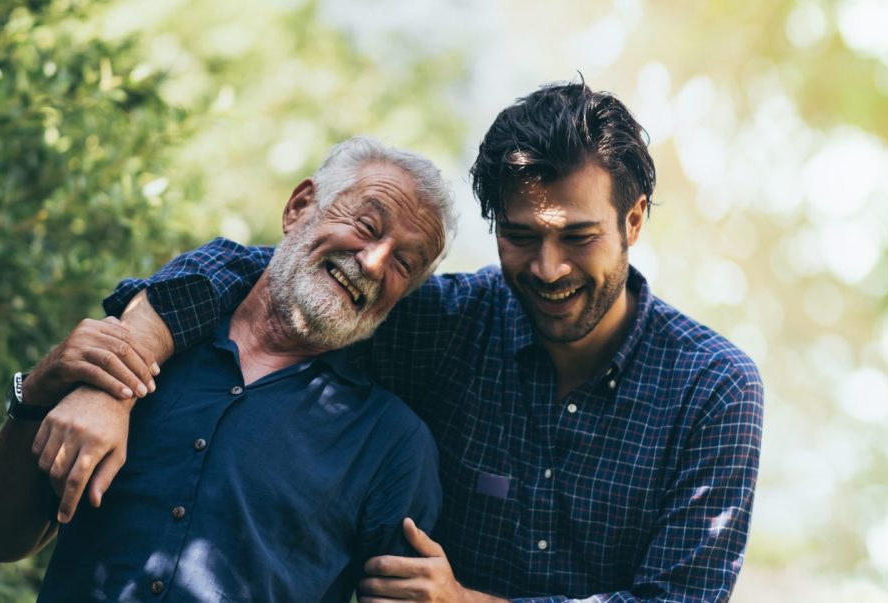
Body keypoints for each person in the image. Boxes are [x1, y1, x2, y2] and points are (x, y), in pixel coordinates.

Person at [37, 80, 764, 602]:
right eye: (520, 236)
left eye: (578, 237)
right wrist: (116, 374)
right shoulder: (450, 324)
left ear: (633, 221)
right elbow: (266, 271)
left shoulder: (714, 388)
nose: (548, 269)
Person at [0, 136, 459, 602]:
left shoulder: (393, 446)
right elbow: (4, 539)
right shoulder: (137, 345)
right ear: (299, 207)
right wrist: (37, 389)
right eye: (368, 226)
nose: (374, 263)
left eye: (404, 263)